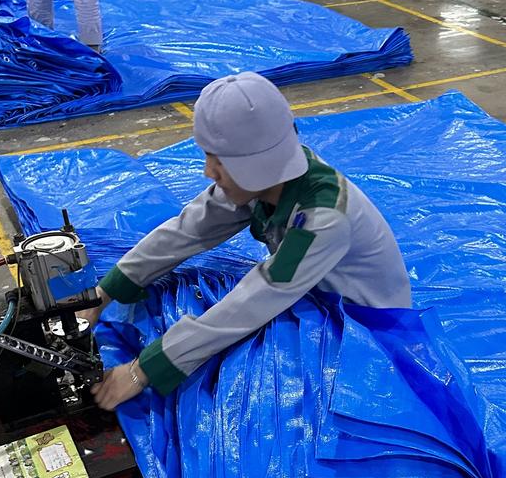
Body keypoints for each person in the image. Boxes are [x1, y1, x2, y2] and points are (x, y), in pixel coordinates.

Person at [83, 72, 412, 411]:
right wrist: (102, 294)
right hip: (310, 295)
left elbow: (256, 299)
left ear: (256, 165)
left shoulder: (323, 220)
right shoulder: (266, 182)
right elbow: (187, 230)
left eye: (218, 161)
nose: (208, 171)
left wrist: (143, 370)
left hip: (364, 327)